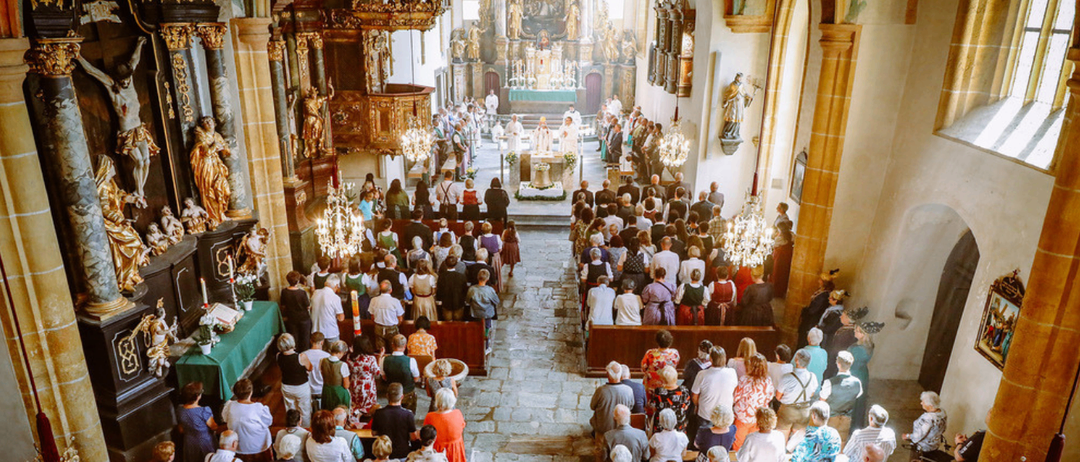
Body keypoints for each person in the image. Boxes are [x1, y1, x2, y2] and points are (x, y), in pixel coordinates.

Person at [775, 349, 820, 445]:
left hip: (787, 410)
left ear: (797, 361)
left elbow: (778, 396)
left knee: (781, 438)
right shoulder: (813, 377)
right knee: (798, 441)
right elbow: (811, 394)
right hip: (804, 411)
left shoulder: (787, 377)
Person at [222, 379, 273, 461]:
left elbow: (225, 419)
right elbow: (268, 422)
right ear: (251, 392)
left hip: (238, 447)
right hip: (259, 446)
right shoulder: (258, 408)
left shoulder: (229, 406)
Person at [731, 354, 774, 450]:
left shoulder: (744, 380)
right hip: (758, 417)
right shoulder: (767, 380)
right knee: (754, 445)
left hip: (742, 417)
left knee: (739, 444)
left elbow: (735, 397)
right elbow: (770, 397)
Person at [820, 351, 862, 445]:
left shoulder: (830, 382)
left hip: (831, 418)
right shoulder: (857, 382)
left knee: (827, 443)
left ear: (838, 364)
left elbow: (822, 401)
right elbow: (857, 395)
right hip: (846, 419)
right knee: (842, 442)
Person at [592, 361, 636, 445]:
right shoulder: (628, 390)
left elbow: (592, 406)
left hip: (604, 430)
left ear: (607, 375)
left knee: (601, 453)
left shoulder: (601, 391)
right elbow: (630, 406)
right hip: (622, 429)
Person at [372, 383, 419, 459]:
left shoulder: (378, 413)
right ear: (402, 397)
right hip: (402, 454)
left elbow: (374, 433)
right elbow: (413, 437)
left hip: (384, 453)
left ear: (387, 396)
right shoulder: (408, 414)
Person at [850, 321, 881, 430]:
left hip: (854, 373)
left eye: (857, 331)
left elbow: (850, 362)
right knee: (860, 401)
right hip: (863, 373)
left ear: (863, 334)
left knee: (853, 401)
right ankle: (857, 424)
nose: (854, 331)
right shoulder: (869, 345)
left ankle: (851, 425)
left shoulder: (857, 349)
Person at [277, 334, 312, 428]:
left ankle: (292, 428)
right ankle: (305, 429)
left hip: (286, 386)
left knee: (290, 410)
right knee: (304, 411)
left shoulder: (278, 356)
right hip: (301, 387)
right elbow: (310, 368)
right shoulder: (301, 357)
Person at [797, 271, 839, 349]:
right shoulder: (822, 292)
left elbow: (813, 310)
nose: (818, 281)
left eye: (820, 280)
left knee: (804, 341)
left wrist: (805, 310)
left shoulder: (824, 296)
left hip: (812, 321)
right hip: (811, 319)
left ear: (824, 282)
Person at [178, 382, 218, 462]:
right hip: (205, 442)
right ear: (197, 397)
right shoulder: (203, 411)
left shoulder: (180, 409)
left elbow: (181, 429)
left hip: (189, 442)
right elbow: (214, 427)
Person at [424, 389, 467, 462]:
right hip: (455, 451)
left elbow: (426, 434)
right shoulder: (458, 413)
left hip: (437, 452)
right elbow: (461, 428)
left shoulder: (430, 417)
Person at [382, 334, 422, 413]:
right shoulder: (411, 361)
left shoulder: (384, 359)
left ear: (392, 345)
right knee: (409, 413)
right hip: (407, 392)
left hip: (392, 393)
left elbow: (384, 377)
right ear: (405, 346)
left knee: (393, 413)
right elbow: (416, 379)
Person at [345, 336, 381, 422]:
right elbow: (377, 373)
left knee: (356, 404)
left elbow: (348, 370)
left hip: (355, 383)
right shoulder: (370, 359)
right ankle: (367, 422)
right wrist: (379, 358)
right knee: (368, 406)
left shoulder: (350, 357)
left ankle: (356, 421)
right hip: (367, 385)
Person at [647, 366, 692, 434]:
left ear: (663, 380)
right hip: (679, 423)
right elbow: (686, 406)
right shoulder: (684, 390)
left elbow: (653, 406)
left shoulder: (659, 391)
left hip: (662, 424)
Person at [902, 391, 948, 456]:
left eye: (923, 402)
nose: (921, 403)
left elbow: (919, 436)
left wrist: (908, 436)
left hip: (924, 447)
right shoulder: (942, 412)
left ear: (930, 405)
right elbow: (944, 429)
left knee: (915, 458)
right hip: (935, 444)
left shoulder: (928, 418)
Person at [467, 269, 499, 352]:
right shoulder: (490, 290)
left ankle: (476, 344)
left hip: (476, 313)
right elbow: (496, 301)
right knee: (487, 329)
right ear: (487, 279)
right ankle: (486, 347)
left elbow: (467, 300)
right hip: (487, 313)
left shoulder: (472, 289)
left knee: (476, 329)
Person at [281, 271, 312, 358]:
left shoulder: (284, 292)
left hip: (292, 318)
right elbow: (307, 306)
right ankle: (305, 357)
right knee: (305, 339)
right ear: (298, 281)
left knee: (294, 339)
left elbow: (283, 305)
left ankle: (296, 357)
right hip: (304, 318)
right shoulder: (302, 293)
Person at [370, 281, 405, 351]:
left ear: (380, 289)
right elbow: (400, 318)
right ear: (390, 290)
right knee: (394, 349)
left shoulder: (374, 300)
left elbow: (372, 316)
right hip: (392, 328)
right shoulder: (395, 301)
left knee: (381, 350)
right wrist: (396, 325)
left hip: (378, 327)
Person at [312, 275, 345, 344]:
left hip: (316, 331)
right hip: (330, 332)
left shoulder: (315, 293)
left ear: (325, 284)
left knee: (320, 354)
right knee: (334, 353)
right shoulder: (335, 297)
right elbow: (341, 318)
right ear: (336, 286)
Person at [319, 341, 352, 412]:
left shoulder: (322, 361)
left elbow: (323, 375)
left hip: (326, 391)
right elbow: (346, 385)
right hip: (339, 393)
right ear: (340, 352)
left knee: (327, 412)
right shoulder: (343, 365)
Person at [302, 333, 331, 409]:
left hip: (308, 390)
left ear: (310, 341)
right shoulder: (327, 356)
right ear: (322, 342)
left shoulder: (303, 355)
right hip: (323, 390)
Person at [436, 255, 469, 320]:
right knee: (458, 324)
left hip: (446, 304)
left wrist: (439, 299)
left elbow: (439, 290)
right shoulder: (461, 276)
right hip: (459, 303)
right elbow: (465, 290)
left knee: (447, 324)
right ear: (456, 263)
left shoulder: (442, 277)